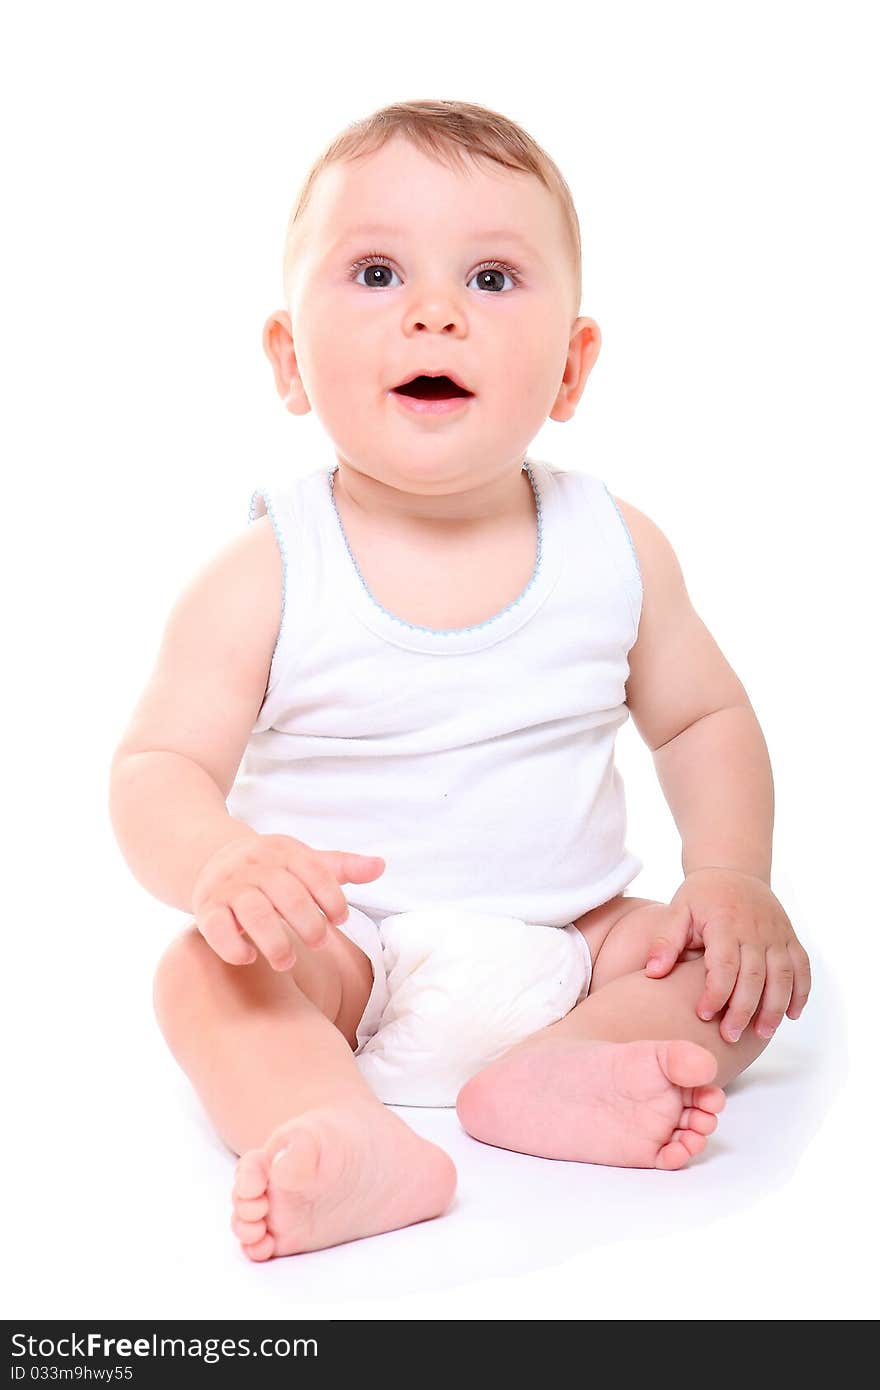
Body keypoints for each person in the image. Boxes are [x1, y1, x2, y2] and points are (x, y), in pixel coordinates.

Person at [108, 98, 812, 1262]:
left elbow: (702, 719)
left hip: (576, 942)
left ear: (573, 366)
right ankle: (328, 1123)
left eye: (492, 280)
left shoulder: (615, 546)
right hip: (342, 954)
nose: (435, 310)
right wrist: (222, 864)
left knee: (739, 972)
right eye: (377, 271)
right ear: (289, 356)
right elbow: (157, 765)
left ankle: (560, 1074)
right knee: (201, 977)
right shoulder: (270, 567)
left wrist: (731, 877)